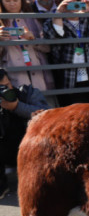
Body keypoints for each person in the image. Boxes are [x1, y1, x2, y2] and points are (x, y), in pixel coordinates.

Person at [0, 68, 50, 198]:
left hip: (32, 147)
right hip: (5, 150)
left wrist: (16, 107)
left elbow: (47, 114)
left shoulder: (28, 93)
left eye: (5, 86)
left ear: (11, 82)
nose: (4, 91)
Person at [0, 0, 55, 92]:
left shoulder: (33, 18)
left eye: (15, 0)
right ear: (1, 2)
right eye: (7, 0)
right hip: (13, 75)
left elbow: (48, 48)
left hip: (39, 73)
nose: (12, 3)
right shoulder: (1, 21)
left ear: (22, 0)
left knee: (45, 104)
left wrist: (33, 39)